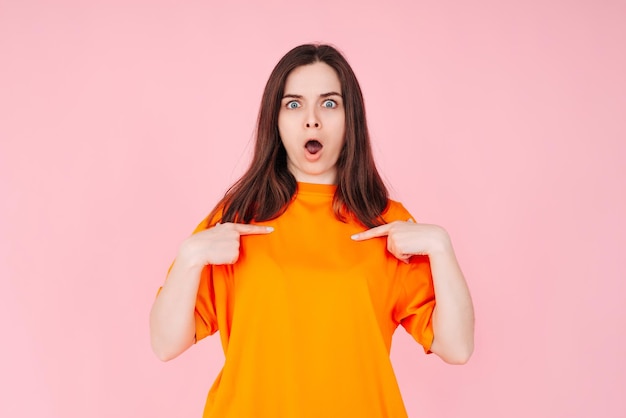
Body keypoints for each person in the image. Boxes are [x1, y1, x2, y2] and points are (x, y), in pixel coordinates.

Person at [150, 43, 474, 418]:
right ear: (275, 119)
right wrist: (190, 256)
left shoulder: (386, 222)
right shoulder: (238, 217)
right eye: (294, 104)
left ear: (351, 118)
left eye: (329, 103)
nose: (312, 120)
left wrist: (441, 247)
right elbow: (165, 343)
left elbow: (458, 347)